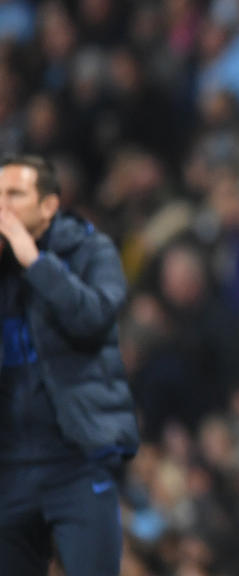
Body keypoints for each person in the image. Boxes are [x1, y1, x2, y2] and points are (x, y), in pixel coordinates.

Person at [0, 155, 138, 576]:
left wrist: (34, 261)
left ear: (49, 206)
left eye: (14, 195)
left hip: (75, 460)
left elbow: (92, 317)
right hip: (7, 468)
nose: (1, 207)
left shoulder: (90, 250)